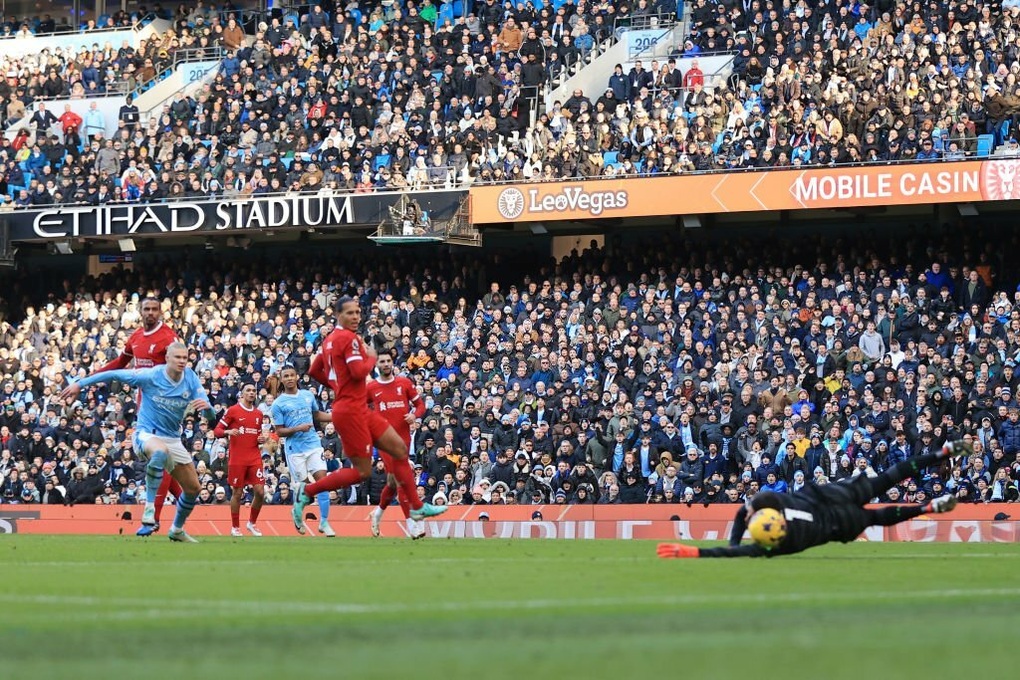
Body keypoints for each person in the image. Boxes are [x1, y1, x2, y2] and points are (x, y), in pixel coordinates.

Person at [657, 440, 972, 559]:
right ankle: (939, 454)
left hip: (834, 523)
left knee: (877, 516)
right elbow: (744, 514)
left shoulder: (776, 547)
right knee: (888, 478)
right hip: (830, 497)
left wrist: (698, 552)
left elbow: (735, 550)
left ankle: (927, 506)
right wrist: (714, 549)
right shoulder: (772, 502)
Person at [294, 297, 447, 529]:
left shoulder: (329, 341)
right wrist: (372, 357)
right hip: (352, 411)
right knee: (362, 472)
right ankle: (307, 491)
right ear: (338, 315)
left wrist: (337, 387)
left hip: (355, 407)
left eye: (358, 312)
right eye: (350, 313)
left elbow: (315, 370)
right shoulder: (348, 338)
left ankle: (416, 507)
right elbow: (358, 372)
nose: (356, 317)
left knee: (399, 450)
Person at [60, 343, 214, 543]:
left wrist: (208, 408)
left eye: (185, 357)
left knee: (193, 489)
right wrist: (80, 384)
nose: (182, 361)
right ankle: (149, 509)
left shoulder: (191, 378)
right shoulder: (150, 376)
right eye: (177, 357)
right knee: (160, 452)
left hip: (173, 439)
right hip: (146, 434)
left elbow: (210, 413)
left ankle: (176, 529)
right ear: (167, 358)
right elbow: (114, 374)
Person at [90, 296, 181, 537]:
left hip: (165, 408)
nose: (150, 312)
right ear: (140, 312)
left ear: (160, 311)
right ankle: (187, 502)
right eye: (146, 309)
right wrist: (93, 377)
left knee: (159, 459)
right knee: (164, 461)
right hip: (144, 407)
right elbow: (121, 362)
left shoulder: (169, 338)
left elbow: (182, 370)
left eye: (154, 309)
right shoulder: (136, 337)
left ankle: (153, 520)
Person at [269, 365, 336, 537]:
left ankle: (324, 522)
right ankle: (297, 513)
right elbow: (279, 431)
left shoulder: (307, 395)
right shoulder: (278, 404)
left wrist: (336, 416)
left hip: (313, 444)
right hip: (294, 449)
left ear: (297, 377)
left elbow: (317, 415)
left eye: (292, 375)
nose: (290, 378)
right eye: (286, 376)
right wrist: (298, 428)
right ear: (282, 379)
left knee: (323, 482)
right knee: (306, 489)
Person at [367, 352, 427, 539]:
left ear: (392, 363)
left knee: (393, 482)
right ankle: (413, 525)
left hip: (403, 440)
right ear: (377, 366)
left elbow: (420, 406)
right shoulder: (372, 387)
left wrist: (414, 415)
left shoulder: (404, 383)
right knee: (402, 479)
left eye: (388, 361)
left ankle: (377, 513)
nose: (385, 364)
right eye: (382, 362)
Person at [213, 382, 268, 537]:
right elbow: (217, 430)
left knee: (260, 491)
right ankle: (235, 527)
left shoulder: (258, 414)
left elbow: (257, 435)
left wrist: (261, 439)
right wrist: (229, 431)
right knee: (237, 493)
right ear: (242, 394)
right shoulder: (233, 410)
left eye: (254, 391)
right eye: (248, 390)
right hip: (237, 458)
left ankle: (252, 523)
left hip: (254, 457)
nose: (251, 393)